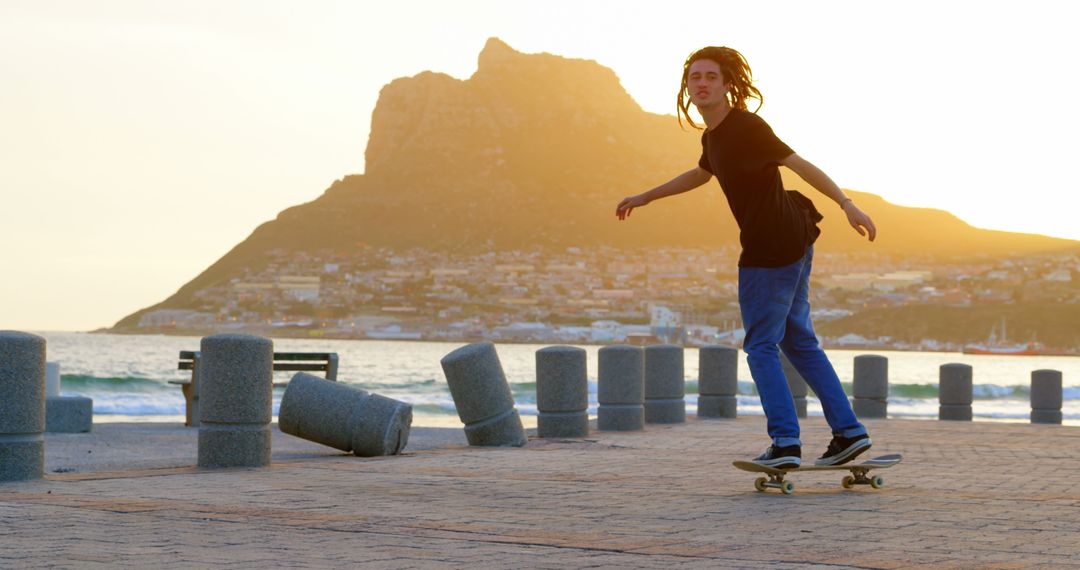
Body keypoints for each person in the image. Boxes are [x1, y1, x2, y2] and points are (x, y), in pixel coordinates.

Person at [615, 46, 877, 468]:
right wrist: (647, 196)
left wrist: (847, 203)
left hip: (771, 246)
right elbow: (702, 172)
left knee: (760, 345)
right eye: (695, 77)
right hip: (791, 237)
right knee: (800, 342)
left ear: (726, 83)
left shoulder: (746, 126)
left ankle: (786, 442)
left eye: (711, 77)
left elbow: (798, 163)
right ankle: (849, 432)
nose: (701, 83)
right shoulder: (714, 136)